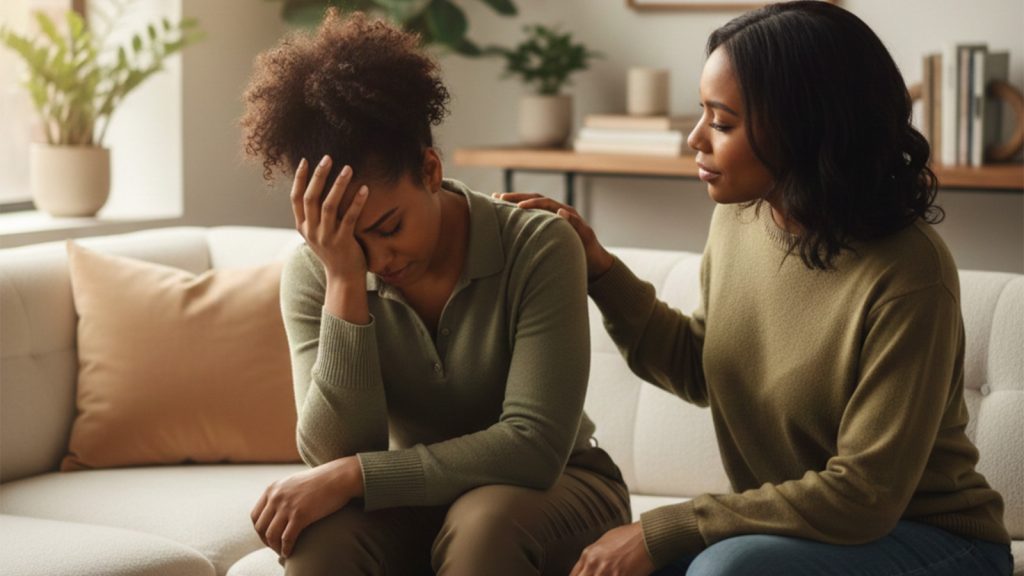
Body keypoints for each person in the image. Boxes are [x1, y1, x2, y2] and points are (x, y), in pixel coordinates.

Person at [501, 2, 1013, 575]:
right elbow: (703, 366)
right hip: (798, 535)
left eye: (722, 123)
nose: (695, 138)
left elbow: (865, 494)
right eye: (703, 114)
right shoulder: (740, 218)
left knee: (727, 569)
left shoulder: (910, 273)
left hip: (933, 538)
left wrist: (669, 526)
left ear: (804, 127)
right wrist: (599, 269)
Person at [239, 9, 630, 575]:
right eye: (352, 243)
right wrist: (345, 281)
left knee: (483, 526)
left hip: (560, 486)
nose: (379, 261)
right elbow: (331, 455)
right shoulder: (319, 271)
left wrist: (357, 475)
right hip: (416, 498)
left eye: (389, 227)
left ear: (429, 169)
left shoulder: (539, 246)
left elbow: (534, 446)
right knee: (318, 538)